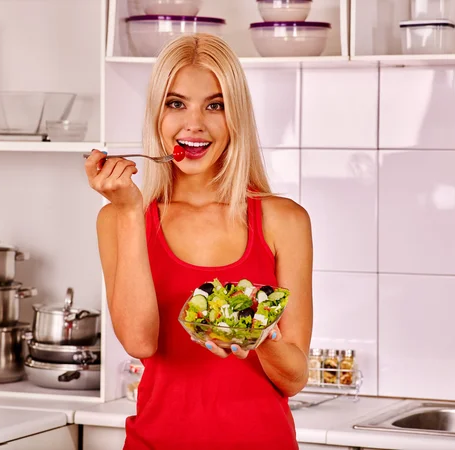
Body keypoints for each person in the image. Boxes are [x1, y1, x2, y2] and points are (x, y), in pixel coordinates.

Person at [84, 33, 313, 450]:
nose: (194, 123)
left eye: (215, 105)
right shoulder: (119, 218)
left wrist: (259, 334)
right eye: (176, 104)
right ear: (157, 115)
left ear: (236, 117)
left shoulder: (284, 220)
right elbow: (139, 342)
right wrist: (132, 211)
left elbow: (295, 378)